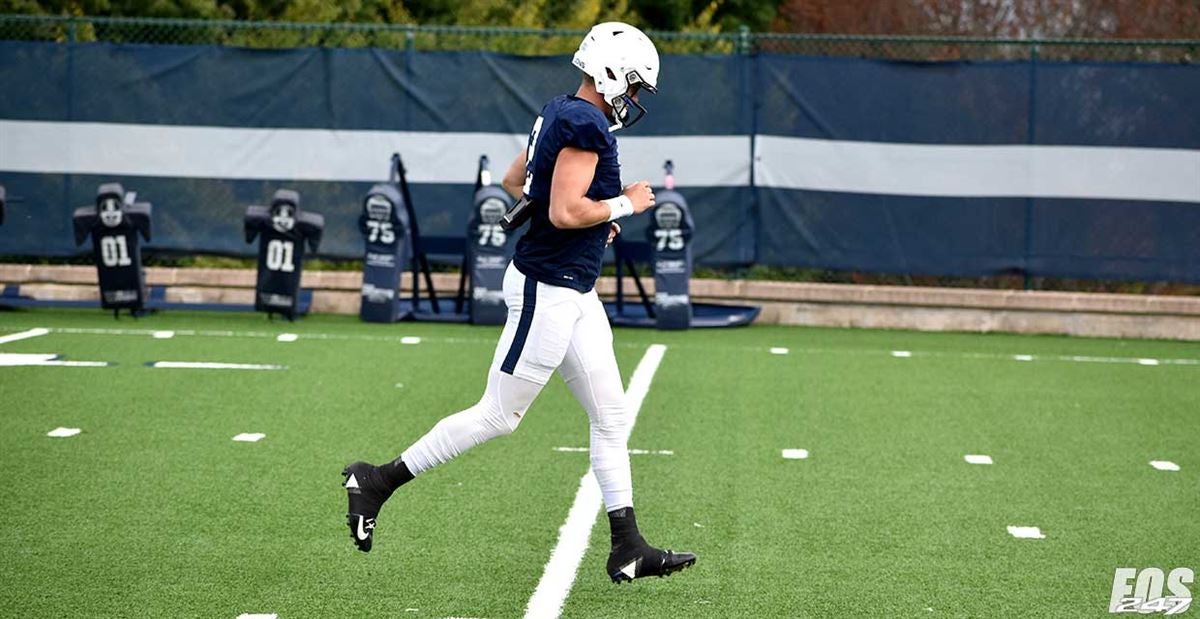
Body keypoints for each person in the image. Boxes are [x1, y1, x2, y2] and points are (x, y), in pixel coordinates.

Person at [343, 21, 696, 583]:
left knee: (611, 415)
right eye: (632, 86)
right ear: (610, 74)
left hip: (573, 288)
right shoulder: (587, 125)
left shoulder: (559, 109)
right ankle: (376, 480)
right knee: (499, 415)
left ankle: (627, 545)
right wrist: (622, 207)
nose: (632, 99)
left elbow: (518, 181)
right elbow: (560, 212)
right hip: (547, 289)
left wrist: (590, 222)